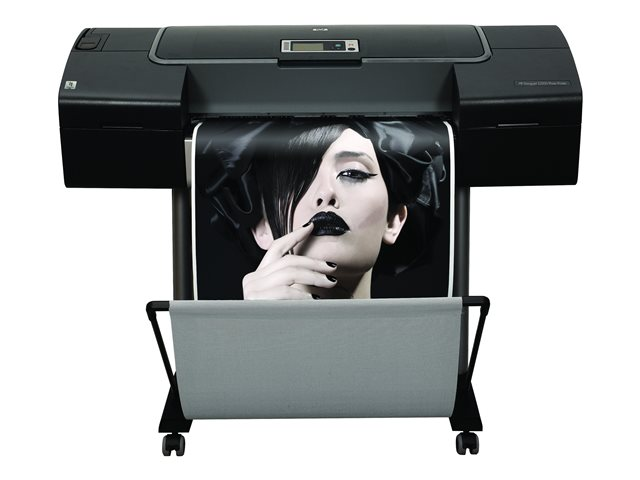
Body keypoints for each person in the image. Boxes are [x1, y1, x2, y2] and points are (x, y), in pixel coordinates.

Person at [199, 119, 447, 300]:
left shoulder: (429, 348)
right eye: (299, 180)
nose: (325, 193)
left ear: (393, 220)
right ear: (262, 227)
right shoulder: (226, 344)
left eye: (353, 173)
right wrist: (251, 329)